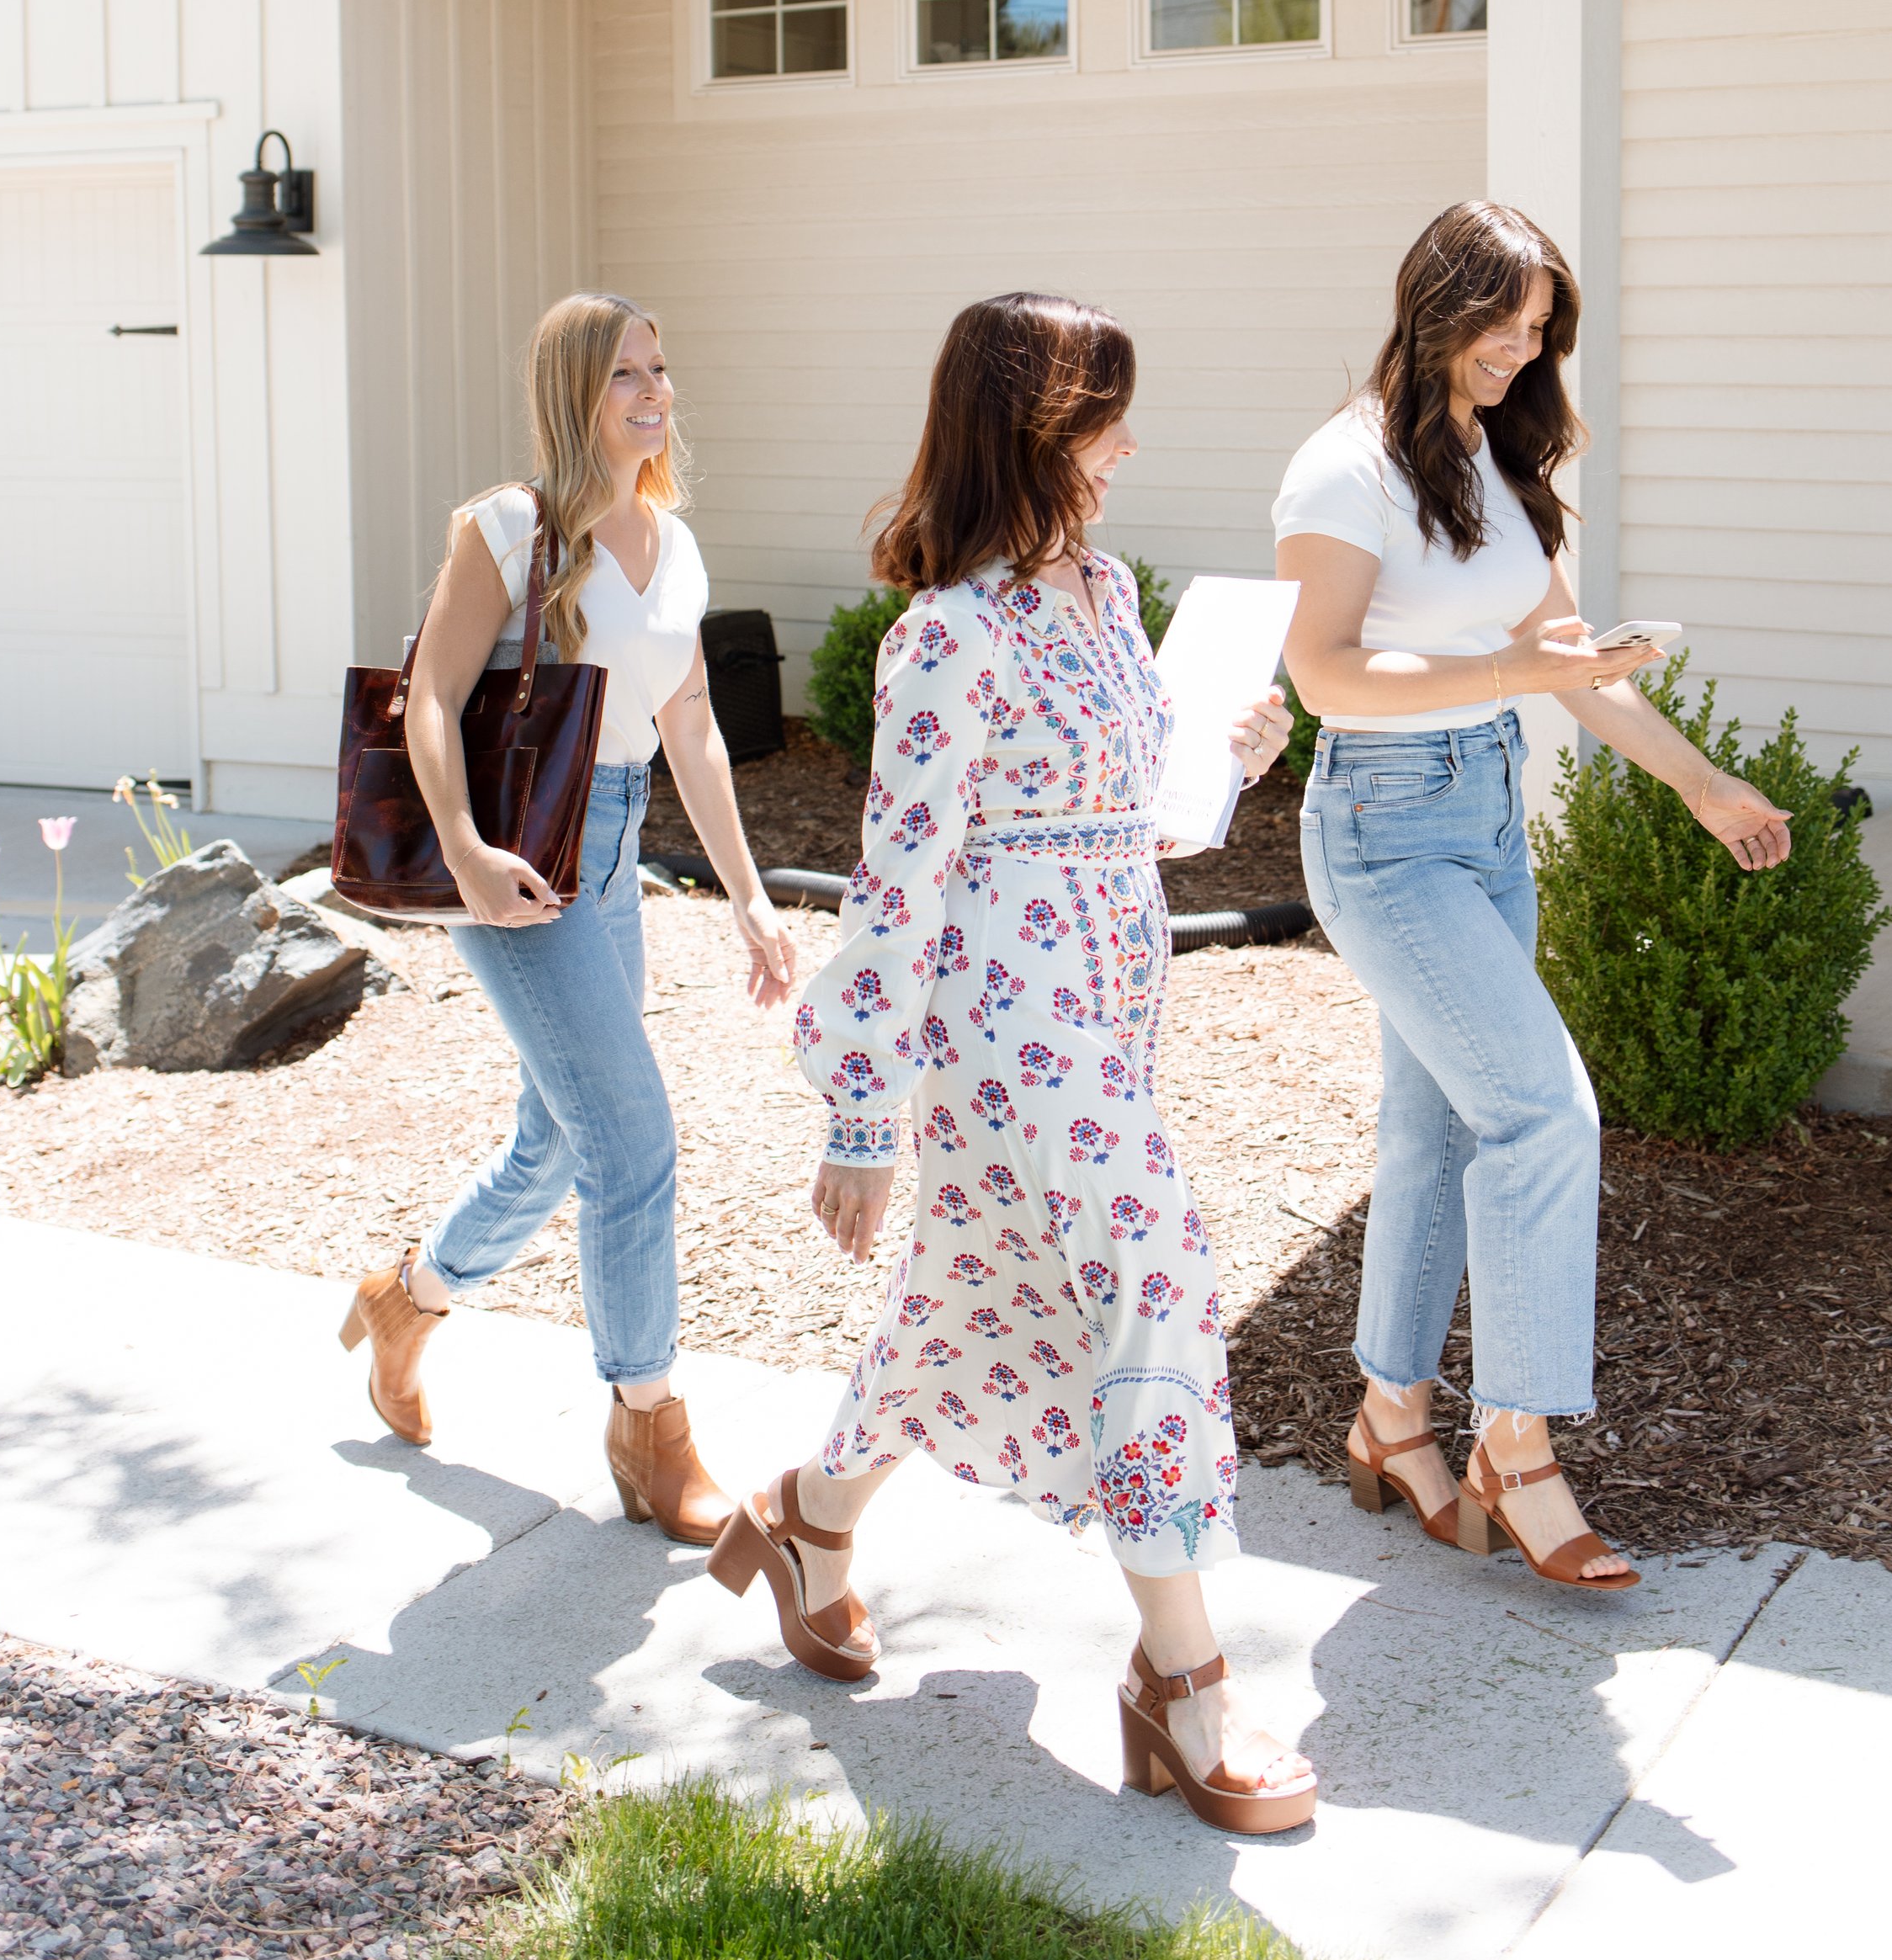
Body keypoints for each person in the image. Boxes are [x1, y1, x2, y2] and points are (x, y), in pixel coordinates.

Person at [708, 292, 1315, 1835]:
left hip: (1110, 999)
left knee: (969, 1299)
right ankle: (1182, 1678)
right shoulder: (943, 638)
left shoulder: (1110, 599)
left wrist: (1227, 761)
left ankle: (808, 1517)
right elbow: (901, 880)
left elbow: (1137, 819)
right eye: (1098, 418)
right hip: (1004, 1019)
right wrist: (862, 1109)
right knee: (1153, 1270)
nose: (1123, 449)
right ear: (1029, 435)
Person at [1276, 202, 1791, 1591]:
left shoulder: (1492, 460)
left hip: (1488, 817)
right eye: (1506, 319)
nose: (1526, 346)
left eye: (1542, 325)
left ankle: (1391, 1413)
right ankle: (1519, 1439)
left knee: (1434, 1126)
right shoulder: (1348, 468)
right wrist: (1518, 676)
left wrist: (1700, 785)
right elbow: (1321, 673)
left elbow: (1566, 656)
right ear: (1436, 302)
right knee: (1543, 1109)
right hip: (1386, 826)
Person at [339, 292, 798, 1543]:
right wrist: (467, 851)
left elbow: (691, 723)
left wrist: (749, 894)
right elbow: (429, 697)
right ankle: (651, 1425)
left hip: (612, 836)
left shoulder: (675, 543)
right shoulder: (511, 528)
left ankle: (408, 1301)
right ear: (571, 394)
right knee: (632, 1133)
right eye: (622, 377)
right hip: (520, 858)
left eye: (660, 368)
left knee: (555, 1139)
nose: (652, 394)